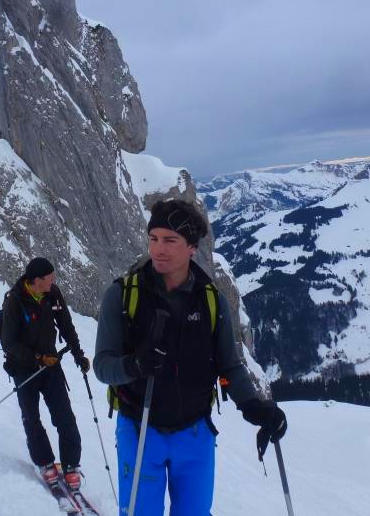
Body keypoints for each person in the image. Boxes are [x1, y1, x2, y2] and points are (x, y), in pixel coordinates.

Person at [93, 199, 288, 515]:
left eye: (170, 240)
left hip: (194, 432)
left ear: (191, 248)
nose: (159, 248)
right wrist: (135, 365)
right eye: (154, 238)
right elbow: (103, 367)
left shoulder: (211, 302)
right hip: (139, 426)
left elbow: (229, 366)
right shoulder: (123, 295)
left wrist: (254, 406)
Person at [0, 257, 91, 490]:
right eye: (50, 278)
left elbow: (66, 325)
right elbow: (9, 342)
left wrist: (78, 353)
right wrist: (38, 358)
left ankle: (71, 465)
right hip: (24, 369)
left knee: (64, 416)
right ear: (36, 280)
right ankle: (45, 463)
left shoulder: (53, 294)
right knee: (32, 418)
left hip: (51, 367)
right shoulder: (14, 301)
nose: (54, 281)